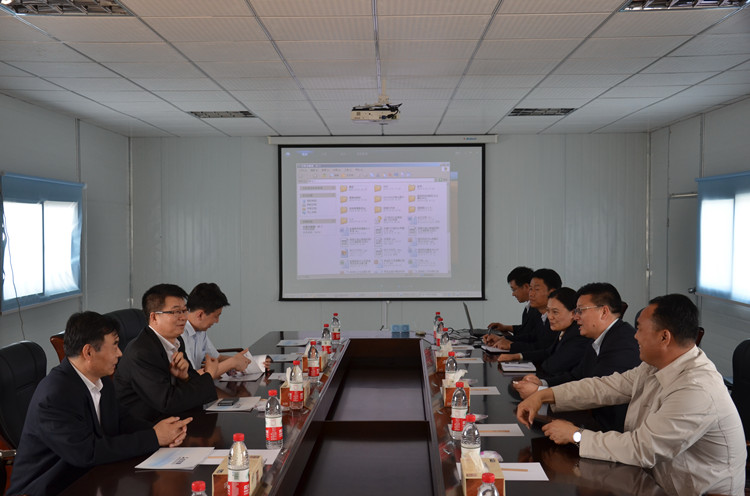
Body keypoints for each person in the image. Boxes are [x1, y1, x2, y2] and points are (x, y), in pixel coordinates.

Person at [516, 294, 746, 496]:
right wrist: (544, 395)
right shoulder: (656, 365)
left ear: (664, 337)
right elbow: (606, 387)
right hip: (653, 480)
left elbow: (643, 448)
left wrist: (576, 435)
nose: (635, 336)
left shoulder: (697, 389)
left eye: (640, 329)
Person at [7, 312, 191, 496]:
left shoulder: (100, 381)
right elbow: (86, 452)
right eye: (115, 345)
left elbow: (122, 421)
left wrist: (163, 432)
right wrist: (154, 438)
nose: (120, 353)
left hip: (89, 479)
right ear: (88, 352)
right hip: (49, 489)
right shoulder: (55, 395)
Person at [512, 282, 640, 431]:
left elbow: (597, 393)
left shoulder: (623, 342)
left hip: (610, 429)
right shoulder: (598, 338)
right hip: (593, 418)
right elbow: (576, 376)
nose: (576, 316)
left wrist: (540, 393)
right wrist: (542, 383)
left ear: (604, 312)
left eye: (580, 311)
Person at [115, 283, 218, 423]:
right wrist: (209, 375)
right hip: (144, 425)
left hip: (171, 417)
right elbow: (167, 402)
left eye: (184, 310)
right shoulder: (141, 353)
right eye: (176, 312)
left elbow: (191, 381)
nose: (183, 317)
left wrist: (185, 378)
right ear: (154, 317)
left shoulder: (177, 341)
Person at [497, 287, 591, 377]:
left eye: (555, 312)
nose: (550, 317)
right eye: (548, 311)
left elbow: (553, 366)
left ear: (573, 313)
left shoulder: (578, 335)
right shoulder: (565, 328)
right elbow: (548, 352)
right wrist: (516, 356)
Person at [183, 282, 255, 376]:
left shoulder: (200, 331)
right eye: (216, 316)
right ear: (200, 315)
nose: (217, 321)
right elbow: (192, 376)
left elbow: (217, 358)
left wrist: (249, 362)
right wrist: (233, 362)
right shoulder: (180, 334)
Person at [484, 268, 561, 353]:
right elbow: (532, 337)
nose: (531, 294)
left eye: (536, 289)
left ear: (552, 292)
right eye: (531, 289)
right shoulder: (542, 314)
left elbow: (545, 348)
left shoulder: (557, 319)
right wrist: (503, 338)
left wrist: (512, 345)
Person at [485, 266, 537, 336]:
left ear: (526, 287)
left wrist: (504, 339)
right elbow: (525, 329)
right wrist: (505, 327)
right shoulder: (528, 307)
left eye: (514, 289)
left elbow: (530, 337)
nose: (513, 294)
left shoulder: (538, 309)